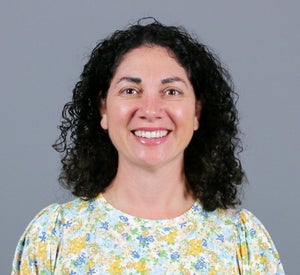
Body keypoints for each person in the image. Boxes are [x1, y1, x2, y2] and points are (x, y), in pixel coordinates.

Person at [12, 19, 284, 274]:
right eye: (130, 90)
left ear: (197, 112)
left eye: (171, 92)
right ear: (104, 109)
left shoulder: (243, 241)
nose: (151, 110)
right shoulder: (53, 236)